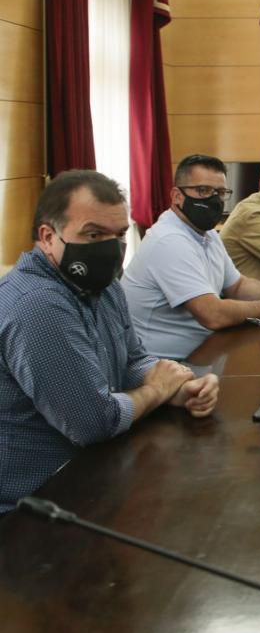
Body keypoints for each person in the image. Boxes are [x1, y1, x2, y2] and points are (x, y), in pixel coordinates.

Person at [0, 170, 219, 512]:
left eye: (118, 235)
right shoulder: (38, 304)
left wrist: (178, 388)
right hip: (35, 507)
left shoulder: (104, 286)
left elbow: (132, 360)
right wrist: (156, 391)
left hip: (95, 476)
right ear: (47, 237)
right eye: (93, 234)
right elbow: (92, 422)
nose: (111, 248)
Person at [122, 154, 260, 360]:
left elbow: (237, 286)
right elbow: (213, 315)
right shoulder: (169, 240)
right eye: (203, 190)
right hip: (162, 366)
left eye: (220, 192)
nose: (213, 199)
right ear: (177, 196)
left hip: (204, 353)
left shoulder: (207, 233)